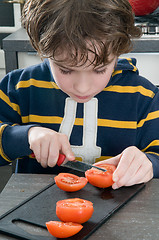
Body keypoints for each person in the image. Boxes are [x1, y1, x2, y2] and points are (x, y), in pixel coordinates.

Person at [0, 0, 159, 190]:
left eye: (99, 69)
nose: (82, 88)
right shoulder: (19, 88)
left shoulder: (144, 97)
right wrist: (25, 136)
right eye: (66, 70)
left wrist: (149, 163)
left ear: (118, 51)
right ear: (43, 50)